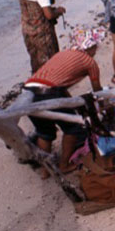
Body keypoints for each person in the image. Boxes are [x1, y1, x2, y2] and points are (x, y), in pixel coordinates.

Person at [24, 26, 105, 174]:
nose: (96, 49)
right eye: (95, 46)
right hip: (48, 92)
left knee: (45, 133)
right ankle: (64, 164)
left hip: (28, 91)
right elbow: (97, 91)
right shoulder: (89, 62)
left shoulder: (64, 53)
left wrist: (72, 104)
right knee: (73, 128)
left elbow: (60, 87)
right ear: (90, 46)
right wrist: (104, 106)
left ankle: (45, 170)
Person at [18, 0, 67, 73]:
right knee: (50, 60)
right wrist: (58, 11)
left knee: (35, 59)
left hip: (27, 29)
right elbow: (49, 15)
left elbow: (31, 8)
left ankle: (37, 83)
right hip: (43, 32)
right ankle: (52, 86)